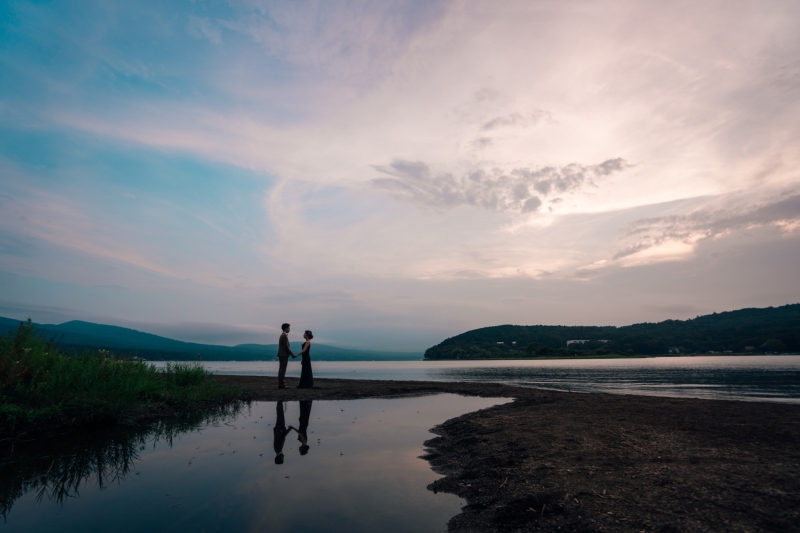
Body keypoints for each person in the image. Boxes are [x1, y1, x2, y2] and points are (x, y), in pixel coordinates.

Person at [276, 323, 294, 389]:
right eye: (289, 328)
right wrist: (292, 354)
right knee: (282, 370)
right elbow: (286, 347)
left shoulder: (282, 335)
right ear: (285, 328)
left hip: (281, 354)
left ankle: (280, 384)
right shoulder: (284, 336)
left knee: (281, 369)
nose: (289, 329)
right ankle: (281, 384)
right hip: (283, 355)